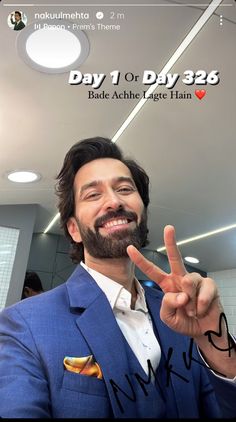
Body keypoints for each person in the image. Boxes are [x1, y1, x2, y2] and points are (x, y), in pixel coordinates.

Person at [0, 137, 235, 418]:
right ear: (73, 229)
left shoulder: (182, 314)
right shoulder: (22, 325)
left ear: (142, 212)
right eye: (92, 195)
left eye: (125, 189)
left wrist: (216, 343)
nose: (114, 201)